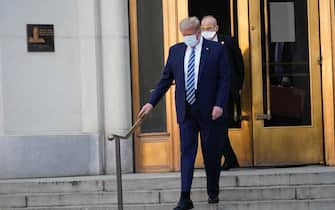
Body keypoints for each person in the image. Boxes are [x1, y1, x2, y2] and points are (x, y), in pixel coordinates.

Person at [138, 17, 231, 210]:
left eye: (189, 35)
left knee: (211, 154)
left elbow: (224, 79)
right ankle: (185, 197)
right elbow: (165, 80)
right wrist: (150, 103)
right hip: (186, 111)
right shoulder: (176, 51)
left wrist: (219, 104)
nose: (187, 39)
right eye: (184, 35)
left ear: (198, 33)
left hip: (210, 111)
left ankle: (213, 190)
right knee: (187, 153)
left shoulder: (216, 50)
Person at [201, 15, 243, 170]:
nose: (207, 31)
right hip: (207, 93)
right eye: (203, 29)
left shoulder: (228, 42)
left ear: (217, 28)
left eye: (210, 28)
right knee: (214, 127)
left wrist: (238, 86)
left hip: (226, 92)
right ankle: (230, 158)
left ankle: (228, 159)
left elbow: (239, 64)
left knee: (221, 125)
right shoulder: (200, 44)